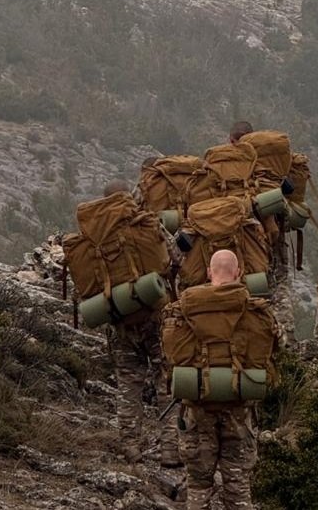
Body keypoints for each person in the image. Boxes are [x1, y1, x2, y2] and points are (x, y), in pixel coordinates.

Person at [181, 249, 274, 509]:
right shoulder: (254, 309)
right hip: (238, 408)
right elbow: (273, 350)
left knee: (198, 485)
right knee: (238, 485)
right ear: (239, 273)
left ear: (209, 272)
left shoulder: (187, 307)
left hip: (198, 407)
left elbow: (172, 355)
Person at [101, 179, 182, 468]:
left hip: (121, 321)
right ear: (130, 198)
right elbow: (174, 259)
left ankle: (130, 447)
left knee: (128, 385)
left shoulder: (96, 234)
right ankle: (171, 450)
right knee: (166, 380)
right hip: (157, 316)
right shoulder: (147, 224)